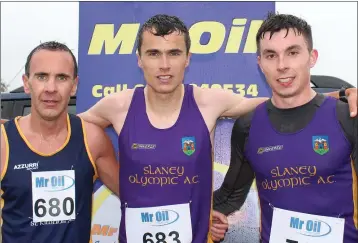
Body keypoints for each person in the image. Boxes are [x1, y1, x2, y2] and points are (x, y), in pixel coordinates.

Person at [77, 14, 357, 242]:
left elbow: (277, 101)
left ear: (187, 58)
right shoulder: (117, 105)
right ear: (139, 59)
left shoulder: (208, 101)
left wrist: (340, 96)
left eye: (174, 53)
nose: (164, 65)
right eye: (153, 53)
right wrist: (122, 184)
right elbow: (75, 131)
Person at [213, 13, 358, 243]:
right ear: (259, 62)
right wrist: (199, 213)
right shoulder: (248, 126)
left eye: (292, 52)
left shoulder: (347, 117)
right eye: (271, 55)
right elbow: (229, 198)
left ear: (312, 57)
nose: (282, 66)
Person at [0, 41, 119, 243]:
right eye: (42, 76)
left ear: (74, 86)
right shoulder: (3, 142)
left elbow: (134, 196)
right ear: (27, 83)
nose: (51, 88)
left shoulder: (92, 139)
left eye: (61, 78)